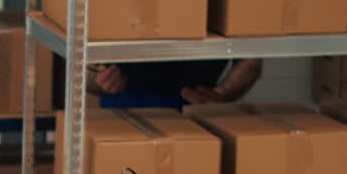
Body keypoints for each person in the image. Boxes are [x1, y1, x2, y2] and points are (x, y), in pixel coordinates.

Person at [88, 58, 264, 109]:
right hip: (125, 106)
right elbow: (85, 69)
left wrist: (224, 94)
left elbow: (251, 58)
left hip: (196, 108)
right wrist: (104, 80)